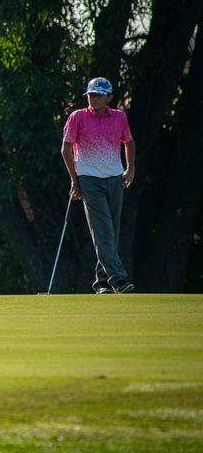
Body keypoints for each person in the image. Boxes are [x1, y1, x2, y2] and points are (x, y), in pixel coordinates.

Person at [61, 77, 136, 294]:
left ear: (109, 97)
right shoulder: (78, 117)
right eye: (91, 95)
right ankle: (119, 280)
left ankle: (102, 282)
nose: (94, 99)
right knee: (103, 229)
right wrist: (74, 179)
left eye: (99, 95)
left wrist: (130, 168)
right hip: (89, 180)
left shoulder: (119, 117)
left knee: (112, 231)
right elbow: (66, 148)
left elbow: (129, 142)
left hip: (115, 179)